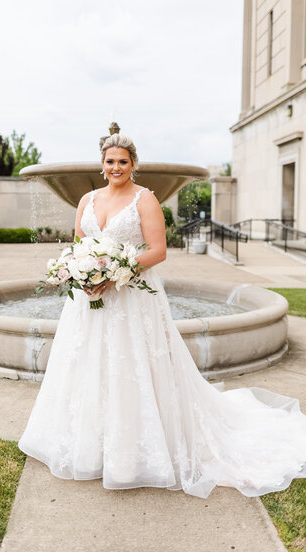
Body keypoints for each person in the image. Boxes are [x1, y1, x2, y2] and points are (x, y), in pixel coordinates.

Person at [18, 133, 306, 499]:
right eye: (110, 161)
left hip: (131, 297)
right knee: (88, 363)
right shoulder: (87, 199)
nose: (116, 168)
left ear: (133, 164)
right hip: (88, 302)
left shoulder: (145, 199)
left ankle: (136, 450)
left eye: (123, 161)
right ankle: (90, 443)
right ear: (101, 164)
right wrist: (81, 271)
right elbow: (80, 243)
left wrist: (112, 272)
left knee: (131, 364)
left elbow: (158, 250)